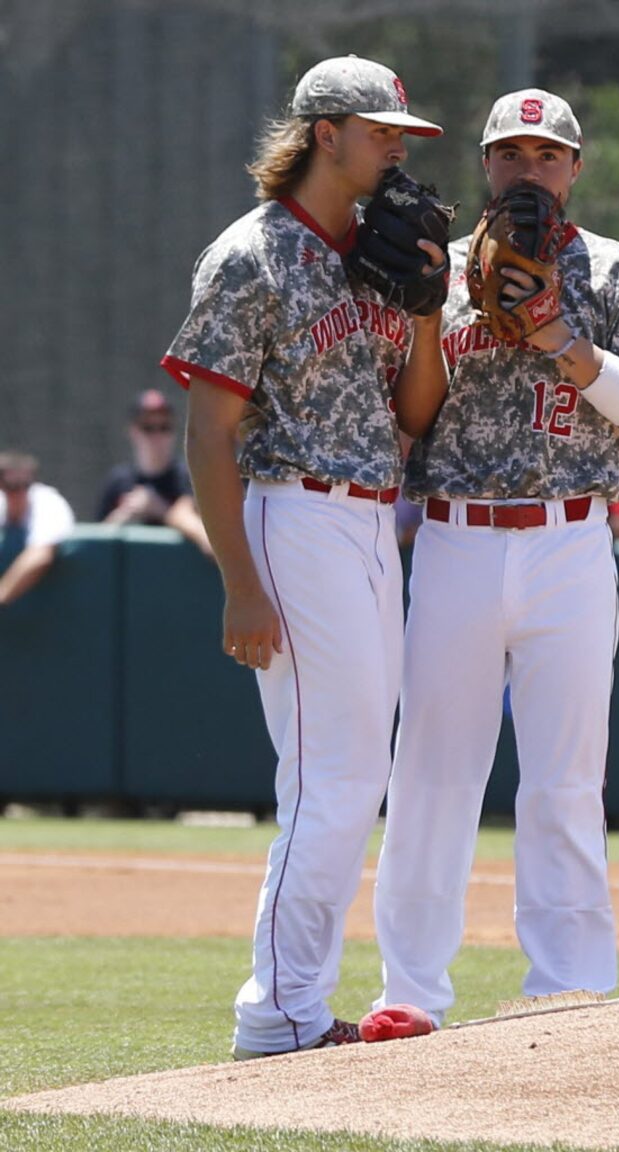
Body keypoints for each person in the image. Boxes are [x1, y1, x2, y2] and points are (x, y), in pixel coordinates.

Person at [372, 87, 619, 1027]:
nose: (529, 171)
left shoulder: (614, 269)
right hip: (455, 535)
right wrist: (438, 308)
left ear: (575, 168)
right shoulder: (435, 266)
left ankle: (569, 984)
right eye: (511, 155)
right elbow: (410, 415)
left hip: (570, 539)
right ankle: (411, 993)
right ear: (486, 166)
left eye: (546, 155)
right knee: (433, 772)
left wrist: (568, 341)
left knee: (565, 775)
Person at [160, 54, 447, 1057]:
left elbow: (416, 415)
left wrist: (420, 317)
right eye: (380, 132)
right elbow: (207, 436)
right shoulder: (251, 254)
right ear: (323, 132)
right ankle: (276, 1013)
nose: (397, 149)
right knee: (331, 774)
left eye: (401, 134)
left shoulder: (374, 254)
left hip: (373, 519)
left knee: (344, 772)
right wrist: (239, 580)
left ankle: (291, 1005)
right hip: (294, 513)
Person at [96, 390, 213, 557]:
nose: (157, 437)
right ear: (133, 431)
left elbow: (209, 540)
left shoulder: (187, 478)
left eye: (164, 428)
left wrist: (159, 509)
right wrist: (123, 516)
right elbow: (95, 545)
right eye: (148, 428)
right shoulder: (118, 481)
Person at [0, 451, 75, 606]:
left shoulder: (49, 503)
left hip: (58, 605)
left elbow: (41, 556)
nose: (20, 492)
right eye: (12, 486)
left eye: (25, 485)